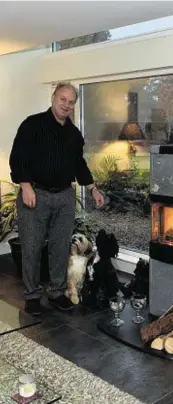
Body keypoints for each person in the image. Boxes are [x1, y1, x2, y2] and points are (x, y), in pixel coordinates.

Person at [9, 82, 104, 315]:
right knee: (31, 246)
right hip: (35, 194)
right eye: (63, 99)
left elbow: (78, 164)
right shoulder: (32, 125)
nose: (67, 105)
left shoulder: (73, 134)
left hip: (64, 196)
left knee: (60, 247)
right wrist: (25, 186)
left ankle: (56, 292)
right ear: (53, 98)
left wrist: (92, 188)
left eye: (71, 102)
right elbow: (18, 157)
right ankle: (32, 296)